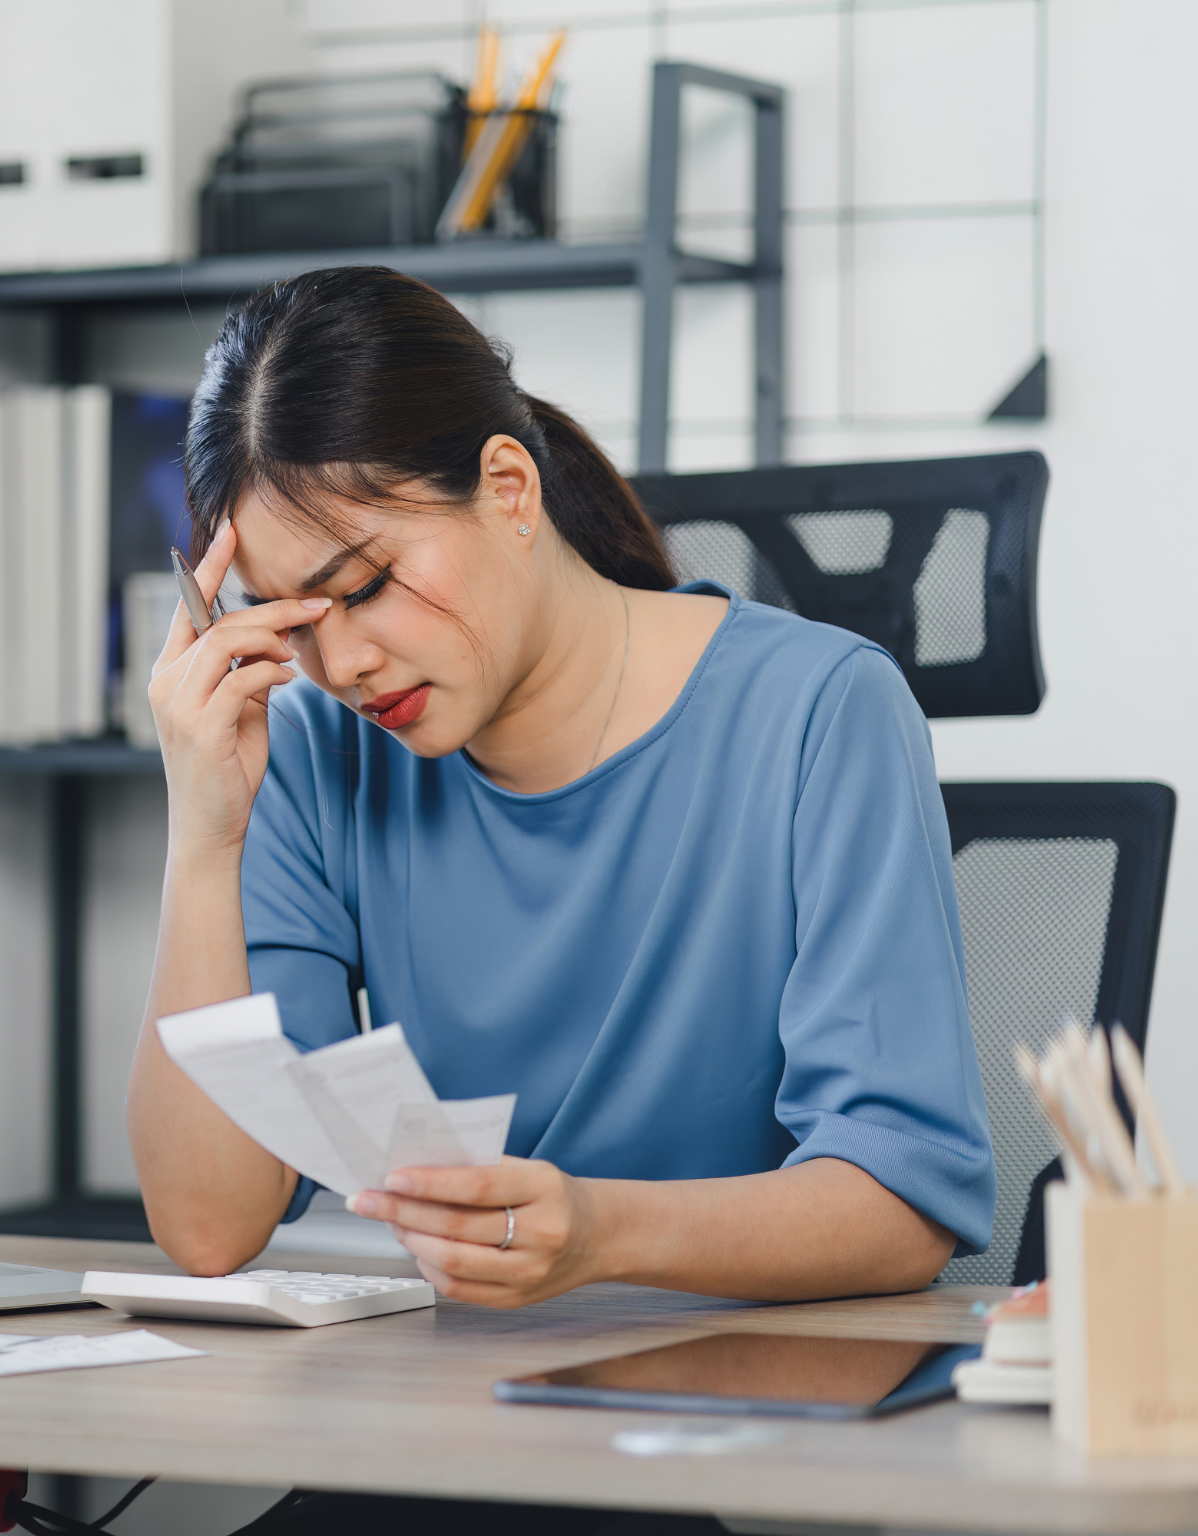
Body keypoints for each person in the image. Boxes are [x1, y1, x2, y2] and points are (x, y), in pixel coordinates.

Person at [128, 264, 993, 1318]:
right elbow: (210, 1227)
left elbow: (904, 1201)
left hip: (747, 1407)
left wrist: (602, 1234)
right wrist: (203, 836)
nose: (342, 662)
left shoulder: (820, 709)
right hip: (463, 1407)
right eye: (290, 621)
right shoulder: (310, 749)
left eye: (363, 587)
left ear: (509, 489)